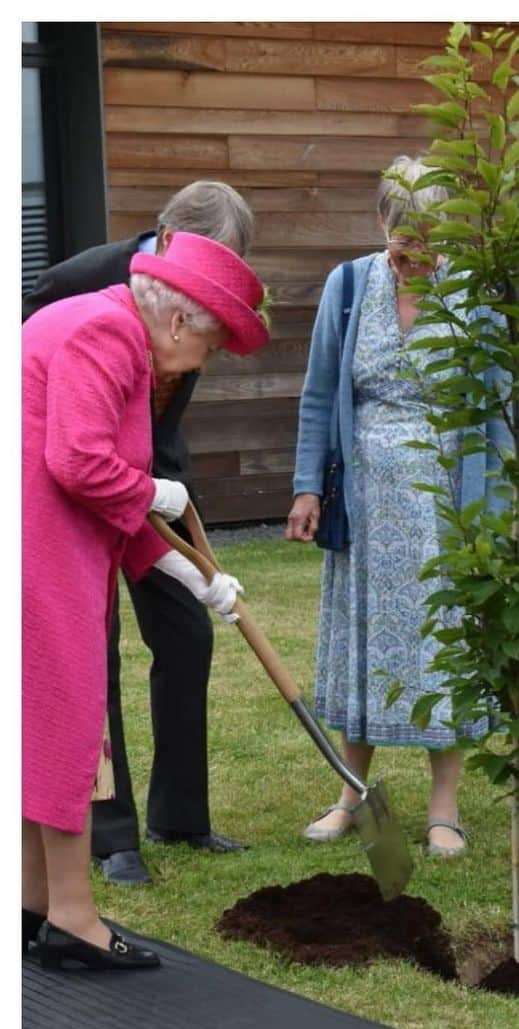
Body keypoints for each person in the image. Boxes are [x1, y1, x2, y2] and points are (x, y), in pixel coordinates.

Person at [23, 232, 269, 970]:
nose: (207, 360)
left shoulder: (96, 321)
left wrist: (195, 576)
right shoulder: (108, 335)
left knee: (36, 729)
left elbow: (107, 498)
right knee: (67, 730)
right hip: (40, 551)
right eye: (213, 343)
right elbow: (79, 465)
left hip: (48, 540)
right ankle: (73, 919)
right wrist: (155, 489)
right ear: (177, 323)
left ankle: (31, 904)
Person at [286, 156, 508, 856]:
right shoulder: (348, 285)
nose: (416, 252)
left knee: (441, 649)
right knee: (361, 645)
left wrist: (497, 512)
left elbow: (496, 411)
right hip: (364, 502)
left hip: (447, 507)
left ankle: (445, 804)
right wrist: (305, 486)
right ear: (383, 223)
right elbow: (321, 394)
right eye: (404, 237)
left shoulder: (475, 296)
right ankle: (352, 792)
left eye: (430, 238)